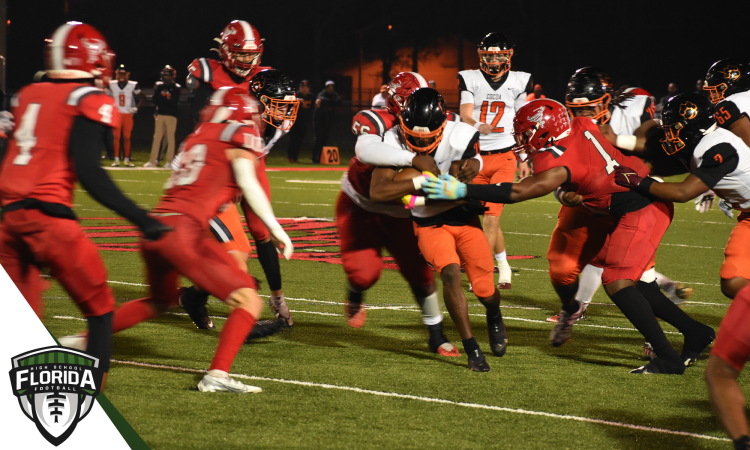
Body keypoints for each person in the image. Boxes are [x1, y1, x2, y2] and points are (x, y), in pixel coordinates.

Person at [422, 98, 715, 374]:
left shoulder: (556, 159)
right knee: (633, 280)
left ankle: (666, 356)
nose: (523, 141)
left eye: (526, 133)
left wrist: (463, 190)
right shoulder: (582, 124)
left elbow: (520, 190)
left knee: (617, 281)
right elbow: (590, 163)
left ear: (542, 130)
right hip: (625, 202)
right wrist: (567, 192)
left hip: (640, 206)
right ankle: (695, 332)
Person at [60, 87, 293, 393]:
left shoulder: (198, 136)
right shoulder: (238, 134)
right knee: (248, 299)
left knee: (160, 299)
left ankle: (83, 339)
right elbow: (247, 181)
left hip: (155, 228)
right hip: (185, 232)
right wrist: (275, 228)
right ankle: (218, 375)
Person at [0, 22, 170, 388]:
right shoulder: (86, 98)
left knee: (20, 325)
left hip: (7, 219)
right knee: (101, 311)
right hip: (49, 220)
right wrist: (142, 219)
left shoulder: (28, 93)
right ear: (94, 58)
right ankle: (89, 402)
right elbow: (90, 174)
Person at [370, 88, 505, 372]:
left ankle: (494, 315)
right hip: (428, 223)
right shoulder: (392, 138)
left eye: (427, 137)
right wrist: (417, 181)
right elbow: (378, 192)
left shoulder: (460, 136)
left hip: (463, 217)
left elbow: (462, 191)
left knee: (484, 289)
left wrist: (424, 190)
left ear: (443, 127)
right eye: (413, 136)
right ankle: (472, 348)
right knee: (450, 272)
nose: (420, 142)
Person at [548, 67, 689, 328]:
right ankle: (574, 307)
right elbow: (558, 173)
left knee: (636, 272)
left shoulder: (635, 107)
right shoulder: (565, 126)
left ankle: (653, 331)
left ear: (605, 100)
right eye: (576, 109)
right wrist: (562, 193)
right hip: (589, 201)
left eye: (589, 108)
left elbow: (653, 146)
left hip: (630, 199)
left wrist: (617, 140)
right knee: (567, 265)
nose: (582, 115)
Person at [180, 21, 293, 327]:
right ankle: (199, 298)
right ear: (225, 50)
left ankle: (278, 298)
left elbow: (274, 125)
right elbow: (198, 118)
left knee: (262, 230)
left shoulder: (265, 76)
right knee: (234, 253)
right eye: (240, 54)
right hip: (216, 166)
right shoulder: (204, 72)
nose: (246, 60)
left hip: (252, 160)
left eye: (251, 54)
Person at [340, 73, 459, 358]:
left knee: (421, 274)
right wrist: (413, 159)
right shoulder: (378, 120)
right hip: (362, 205)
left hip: (405, 209)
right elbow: (366, 149)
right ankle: (356, 294)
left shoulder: (443, 119)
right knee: (364, 274)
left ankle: (436, 336)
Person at [457, 32, 532, 289]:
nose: (494, 60)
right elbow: (465, 114)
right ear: (481, 57)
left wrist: (524, 157)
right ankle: (504, 266)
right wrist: (479, 124)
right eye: (489, 55)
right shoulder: (470, 79)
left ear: (508, 56)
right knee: (484, 217)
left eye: (499, 54)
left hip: (505, 157)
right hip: (476, 159)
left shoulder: (521, 81)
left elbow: (523, 120)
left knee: (491, 218)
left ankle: (481, 272)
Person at [108, 64, 145, 167]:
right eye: (120, 73)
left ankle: (127, 160)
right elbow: (103, 95)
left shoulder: (133, 84)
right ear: (116, 74)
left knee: (127, 137)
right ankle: (116, 160)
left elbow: (143, 98)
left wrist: (136, 108)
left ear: (128, 74)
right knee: (116, 137)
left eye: (124, 73)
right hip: (116, 114)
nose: (122, 76)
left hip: (127, 114)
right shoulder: (111, 84)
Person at [145, 65, 180, 168]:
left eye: (168, 75)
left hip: (171, 115)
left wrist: (162, 98)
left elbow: (173, 102)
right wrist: (166, 99)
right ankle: (152, 160)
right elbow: (154, 100)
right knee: (157, 138)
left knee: (170, 138)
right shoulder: (159, 86)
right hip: (160, 114)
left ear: (173, 76)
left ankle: (169, 161)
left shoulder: (176, 87)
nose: (166, 77)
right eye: (165, 75)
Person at [311, 80, 342, 163]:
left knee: (325, 139)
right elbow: (321, 99)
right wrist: (331, 102)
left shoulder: (334, 95)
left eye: (332, 87)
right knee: (318, 139)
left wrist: (328, 102)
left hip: (327, 121)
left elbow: (339, 101)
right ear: (326, 88)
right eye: (329, 87)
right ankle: (314, 158)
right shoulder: (322, 94)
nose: (331, 89)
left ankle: (322, 158)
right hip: (319, 120)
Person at [287, 80, 314, 163]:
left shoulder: (311, 97)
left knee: (299, 141)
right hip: (294, 122)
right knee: (293, 139)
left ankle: (295, 157)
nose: (305, 89)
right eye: (303, 87)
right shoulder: (296, 95)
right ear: (300, 88)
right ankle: (290, 157)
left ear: (309, 88)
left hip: (303, 122)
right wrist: (300, 100)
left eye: (306, 87)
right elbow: (288, 99)